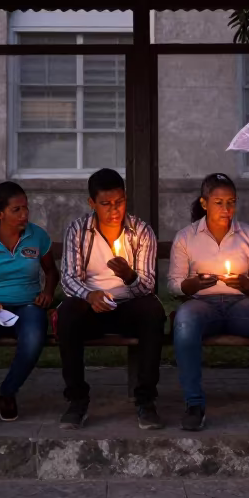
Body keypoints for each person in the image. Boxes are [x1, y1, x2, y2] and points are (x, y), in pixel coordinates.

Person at [170, 173, 249, 431]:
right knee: (185, 322)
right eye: (219, 202)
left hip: (241, 305)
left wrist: (248, 285)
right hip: (202, 305)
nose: (226, 209)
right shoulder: (186, 237)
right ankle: (194, 404)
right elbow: (174, 284)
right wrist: (190, 285)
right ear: (204, 203)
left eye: (231, 202)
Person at [56, 168, 165, 430]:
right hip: (90, 308)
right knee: (68, 313)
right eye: (105, 204)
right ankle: (77, 400)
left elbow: (148, 285)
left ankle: (145, 400)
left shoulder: (140, 231)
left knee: (153, 311)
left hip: (129, 307)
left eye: (119, 202)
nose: (114, 210)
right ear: (92, 203)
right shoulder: (78, 231)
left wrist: (129, 276)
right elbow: (69, 278)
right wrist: (90, 295)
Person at [0, 181, 59, 432]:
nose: (24, 214)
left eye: (26, 208)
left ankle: (8, 391)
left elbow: (51, 272)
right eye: (17, 210)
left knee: (34, 336)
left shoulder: (37, 235)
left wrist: (48, 293)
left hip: (28, 305)